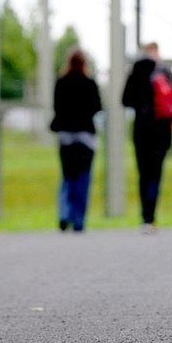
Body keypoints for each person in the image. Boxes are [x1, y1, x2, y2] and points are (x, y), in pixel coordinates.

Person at [122, 42, 172, 234]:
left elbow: (125, 100)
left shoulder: (135, 72)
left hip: (141, 131)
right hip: (161, 131)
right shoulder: (165, 72)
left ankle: (144, 216)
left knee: (143, 174)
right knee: (156, 174)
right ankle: (150, 216)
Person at [50, 47, 102, 232]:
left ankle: (64, 214)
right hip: (85, 137)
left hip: (65, 137)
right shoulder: (90, 83)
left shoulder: (61, 82)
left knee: (67, 177)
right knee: (83, 179)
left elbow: (56, 106)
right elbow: (97, 107)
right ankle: (78, 220)